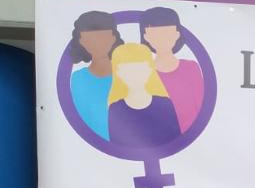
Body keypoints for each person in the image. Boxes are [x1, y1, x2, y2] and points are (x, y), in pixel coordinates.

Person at [139, 6, 205, 132]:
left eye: (167, 33)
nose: (162, 38)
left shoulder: (191, 68)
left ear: (177, 34)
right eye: (155, 34)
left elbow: (202, 108)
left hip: (194, 141)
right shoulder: (141, 72)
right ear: (146, 37)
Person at [106, 42, 181, 148]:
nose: (134, 75)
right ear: (118, 73)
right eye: (128, 70)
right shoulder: (116, 109)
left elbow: (177, 142)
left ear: (150, 70)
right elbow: (117, 149)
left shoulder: (165, 104)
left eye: (139, 69)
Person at [68, 10, 122, 140]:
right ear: (81, 41)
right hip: (90, 148)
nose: (98, 44)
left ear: (113, 38)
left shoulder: (127, 73)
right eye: (91, 39)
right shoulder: (78, 79)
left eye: (103, 38)